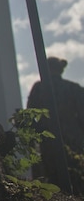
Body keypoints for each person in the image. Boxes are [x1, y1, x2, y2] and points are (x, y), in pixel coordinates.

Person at [26, 56, 84, 187]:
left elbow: (30, 114)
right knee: (77, 178)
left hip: (48, 140)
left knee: (53, 179)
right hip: (74, 140)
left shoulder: (39, 88)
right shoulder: (73, 88)